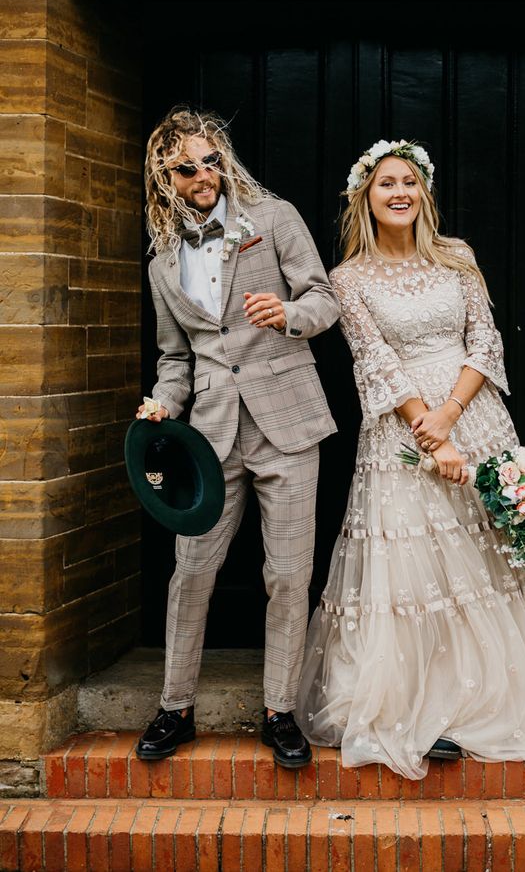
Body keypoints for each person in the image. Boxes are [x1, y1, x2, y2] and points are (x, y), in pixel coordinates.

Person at [295, 139, 525, 779]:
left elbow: (485, 341)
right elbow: (372, 360)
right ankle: (418, 708)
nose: (400, 192)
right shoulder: (348, 279)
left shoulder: (458, 258)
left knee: (484, 559)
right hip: (400, 430)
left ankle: (477, 705)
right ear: (366, 196)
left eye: (410, 181)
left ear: (424, 193)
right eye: (386, 183)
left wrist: (452, 418)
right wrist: (427, 432)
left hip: (475, 415)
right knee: (414, 567)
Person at [135, 106, 340, 768]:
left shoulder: (274, 218)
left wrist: (287, 314)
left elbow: (324, 300)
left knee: (287, 574)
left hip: (288, 422)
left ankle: (280, 712)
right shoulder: (163, 261)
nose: (203, 174)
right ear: (166, 176)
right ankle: (176, 708)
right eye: (187, 166)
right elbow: (175, 360)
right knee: (191, 573)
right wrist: (162, 405)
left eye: (211, 160)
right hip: (211, 433)